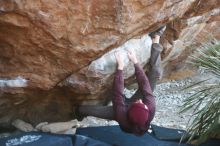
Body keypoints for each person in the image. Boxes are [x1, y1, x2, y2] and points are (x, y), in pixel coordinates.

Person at [75, 26, 166, 136]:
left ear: (130, 108)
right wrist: (136, 63)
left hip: (121, 113)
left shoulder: (121, 115)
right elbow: (144, 84)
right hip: (132, 110)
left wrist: (120, 68)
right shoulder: (150, 108)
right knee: (155, 74)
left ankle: (78, 113)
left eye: (139, 103)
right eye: (143, 104)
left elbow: (118, 92)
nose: (141, 101)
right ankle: (156, 39)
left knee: (83, 109)